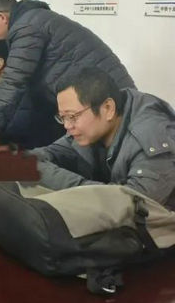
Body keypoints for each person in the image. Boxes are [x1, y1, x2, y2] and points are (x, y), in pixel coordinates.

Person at [0, 0, 135, 146]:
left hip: (106, 100)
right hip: (97, 99)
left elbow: (14, 80)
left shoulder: (27, 28)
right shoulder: (33, 20)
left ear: (2, 17)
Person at [29, 68, 175, 209]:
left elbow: (132, 206)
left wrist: (78, 187)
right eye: (63, 117)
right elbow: (31, 159)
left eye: (72, 116)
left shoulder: (152, 138)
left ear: (108, 108)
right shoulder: (91, 130)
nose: (67, 126)